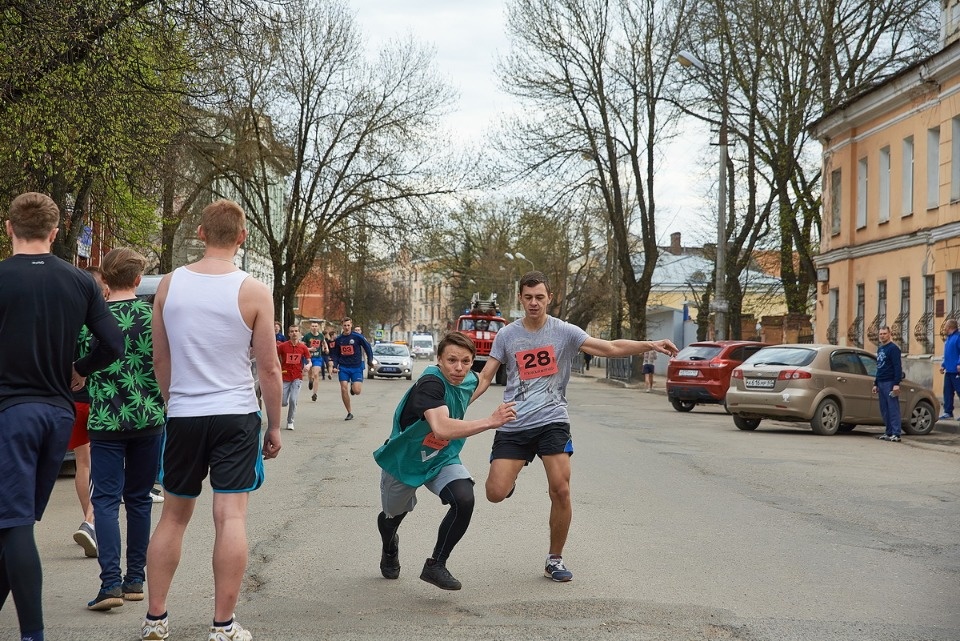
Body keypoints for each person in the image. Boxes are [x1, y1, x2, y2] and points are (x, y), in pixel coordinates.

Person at [471, 271, 678, 582]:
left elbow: (609, 348)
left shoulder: (565, 332)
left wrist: (651, 343)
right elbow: (486, 376)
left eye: (539, 297)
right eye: (528, 297)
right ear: (520, 298)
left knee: (561, 489)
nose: (534, 303)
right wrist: (457, 406)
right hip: (515, 422)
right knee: (495, 493)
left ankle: (554, 558)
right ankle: (510, 477)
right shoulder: (507, 335)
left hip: (552, 420)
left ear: (549, 298)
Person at [142, 199, 283, 641]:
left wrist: (176, 402)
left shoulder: (169, 285)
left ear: (200, 233)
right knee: (230, 517)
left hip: (185, 413)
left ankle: (155, 619)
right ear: (242, 238)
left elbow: (160, 358)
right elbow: (269, 368)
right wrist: (274, 425)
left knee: (172, 518)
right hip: (235, 414)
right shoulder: (255, 290)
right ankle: (222, 625)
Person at [0, 192, 123, 641]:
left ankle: (33, 633)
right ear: (54, 234)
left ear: (9, 228)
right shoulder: (80, 281)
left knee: (13, 525)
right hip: (57, 414)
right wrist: (80, 369)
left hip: (10, 413)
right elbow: (113, 344)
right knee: (12, 525)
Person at [373, 332, 517, 590]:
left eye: (466, 361)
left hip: (441, 458)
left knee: (464, 499)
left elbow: (484, 378)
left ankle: (436, 564)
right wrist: (490, 421)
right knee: (391, 518)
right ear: (439, 359)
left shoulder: (466, 379)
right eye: (452, 360)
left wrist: (502, 343)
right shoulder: (431, 384)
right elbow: (440, 428)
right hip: (405, 461)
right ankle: (389, 545)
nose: (459, 368)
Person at [83, 248, 166, 611]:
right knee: (139, 499)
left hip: (106, 419)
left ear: (103, 279)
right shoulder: (154, 318)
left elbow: (78, 365)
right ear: (137, 279)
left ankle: (110, 584)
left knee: (104, 500)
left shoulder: (93, 319)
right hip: (149, 418)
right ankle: (135, 579)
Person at [70, 265, 110, 559]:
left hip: (72, 399)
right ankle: (91, 523)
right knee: (102, 464)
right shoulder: (101, 318)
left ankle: (89, 524)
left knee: (83, 464)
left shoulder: (69, 318)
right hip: (98, 398)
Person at [331, 317, 373, 421]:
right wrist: (335, 365)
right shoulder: (339, 339)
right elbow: (335, 354)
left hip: (356, 367)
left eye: (348, 325)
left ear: (351, 325)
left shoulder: (357, 337)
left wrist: (370, 360)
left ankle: (353, 387)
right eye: (345, 325)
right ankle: (349, 412)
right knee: (343, 388)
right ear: (342, 326)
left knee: (357, 391)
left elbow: (367, 347)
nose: (346, 327)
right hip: (344, 367)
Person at [873, 325, 903, 442]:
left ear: (889, 334)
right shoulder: (880, 349)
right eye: (880, 334)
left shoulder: (893, 349)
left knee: (893, 408)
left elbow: (897, 367)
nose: (882, 336)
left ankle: (896, 433)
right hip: (881, 382)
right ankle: (888, 432)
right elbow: (879, 367)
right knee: (884, 409)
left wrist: (896, 383)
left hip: (890, 382)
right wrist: (875, 383)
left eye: (884, 333)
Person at [277, 324, 311, 430]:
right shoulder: (283, 346)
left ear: (299, 333)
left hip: (297, 377)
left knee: (293, 400)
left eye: (296, 331)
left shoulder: (303, 347)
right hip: (285, 376)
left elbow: (309, 361)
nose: (294, 333)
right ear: (289, 334)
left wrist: (308, 365)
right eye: (292, 331)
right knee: (283, 402)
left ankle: (290, 421)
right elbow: (275, 357)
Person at [939, 318, 959, 421]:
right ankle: (948, 412)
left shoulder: (958, 337)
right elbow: (947, 354)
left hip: (957, 371)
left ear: (950, 327)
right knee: (947, 392)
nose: (944, 328)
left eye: (946, 326)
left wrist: (959, 363)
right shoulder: (948, 339)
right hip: (949, 371)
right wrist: (943, 365)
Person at [303, 321, 326, 400]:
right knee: (310, 374)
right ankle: (310, 380)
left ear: (318, 327)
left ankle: (314, 394)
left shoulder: (321, 336)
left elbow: (324, 343)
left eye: (316, 326)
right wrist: (310, 349)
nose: (314, 328)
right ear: (310, 327)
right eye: (313, 326)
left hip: (317, 358)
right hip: (309, 357)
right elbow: (302, 347)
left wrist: (326, 348)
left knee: (316, 374)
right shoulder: (307, 336)